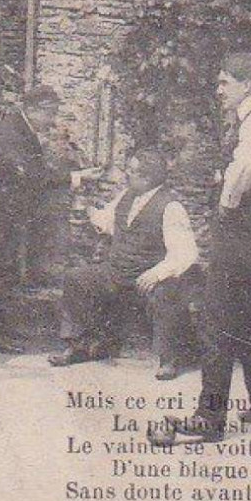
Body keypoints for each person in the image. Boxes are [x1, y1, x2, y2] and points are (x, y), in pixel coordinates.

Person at [170, 51, 251, 442]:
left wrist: (225, 204)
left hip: (241, 236)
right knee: (240, 318)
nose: (218, 89)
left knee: (217, 321)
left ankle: (209, 418)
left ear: (247, 85)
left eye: (225, 82)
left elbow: (245, 169)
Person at [48, 148, 199, 380]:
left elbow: (186, 253)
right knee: (76, 278)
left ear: (147, 178)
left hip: (146, 274)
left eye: (131, 171)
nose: (126, 175)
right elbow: (107, 221)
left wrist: (156, 274)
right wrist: (88, 207)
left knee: (165, 293)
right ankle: (79, 345)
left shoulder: (171, 207)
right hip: (116, 272)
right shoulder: (126, 196)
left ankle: (169, 358)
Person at [0, 84, 78, 353]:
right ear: (33, 109)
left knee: (4, 271)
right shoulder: (12, 131)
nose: (53, 121)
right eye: (50, 113)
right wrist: (72, 178)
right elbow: (27, 173)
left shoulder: (21, 128)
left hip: (5, 215)